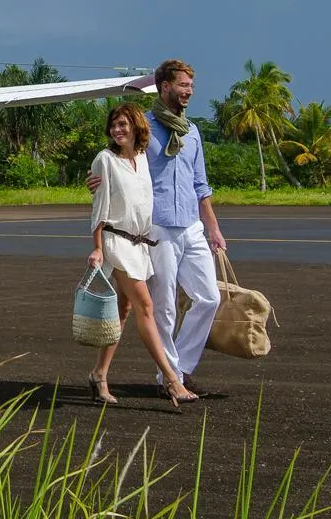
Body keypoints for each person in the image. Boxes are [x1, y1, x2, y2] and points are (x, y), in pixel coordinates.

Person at [89, 59, 227, 397]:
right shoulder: (145, 129)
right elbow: (119, 158)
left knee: (209, 298)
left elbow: (200, 184)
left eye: (191, 87)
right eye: (183, 86)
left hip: (191, 226)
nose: (188, 92)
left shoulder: (192, 132)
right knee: (161, 306)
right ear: (164, 86)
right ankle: (169, 378)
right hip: (157, 228)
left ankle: (181, 367)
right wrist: (98, 180)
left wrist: (213, 229)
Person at [86, 103, 199, 408]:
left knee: (123, 312)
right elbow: (98, 208)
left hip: (139, 245)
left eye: (123, 124)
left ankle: (99, 374)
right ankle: (173, 381)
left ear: (136, 128)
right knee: (146, 307)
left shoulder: (141, 159)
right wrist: (97, 247)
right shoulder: (105, 160)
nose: (117, 130)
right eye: (114, 125)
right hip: (116, 243)